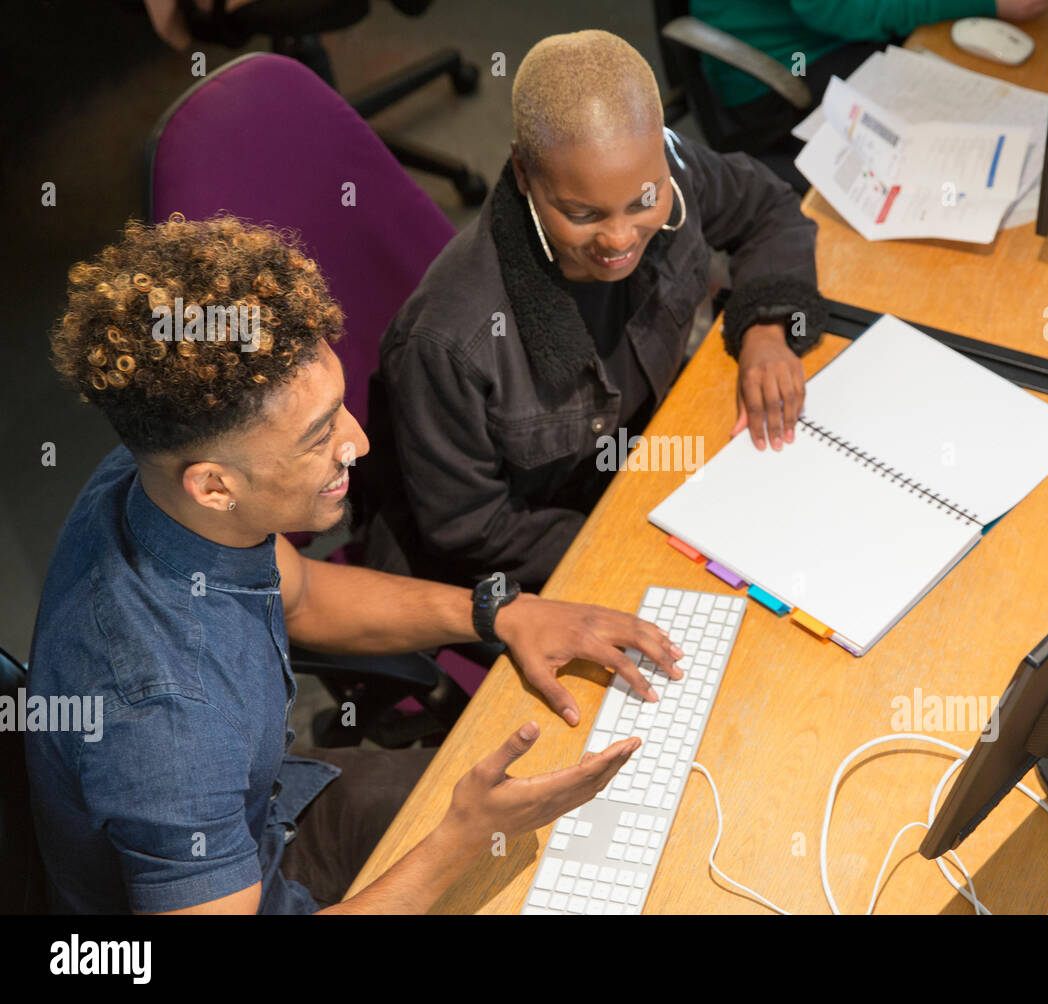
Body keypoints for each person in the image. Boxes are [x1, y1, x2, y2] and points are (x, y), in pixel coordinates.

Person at [27, 214, 686, 914]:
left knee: (589, 835)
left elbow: (302, 595)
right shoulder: (167, 728)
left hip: (267, 813)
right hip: (237, 884)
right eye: (319, 438)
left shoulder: (155, 483)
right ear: (214, 485)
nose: (359, 443)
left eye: (339, 409)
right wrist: (461, 843)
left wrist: (496, 612)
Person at [363, 29, 826, 595]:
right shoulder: (448, 344)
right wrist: (634, 543)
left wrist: (766, 330)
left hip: (648, 472)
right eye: (582, 214)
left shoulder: (666, 172)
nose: (619, 238)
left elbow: (768, 208)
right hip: (543, 561)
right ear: (524, 173)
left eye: (643, 202)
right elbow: (471, 530)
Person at [689, 0, 1048, 191]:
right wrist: (984, 3)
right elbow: (840, 10)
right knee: (949, 134)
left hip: (825, 33)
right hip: (785, 63)